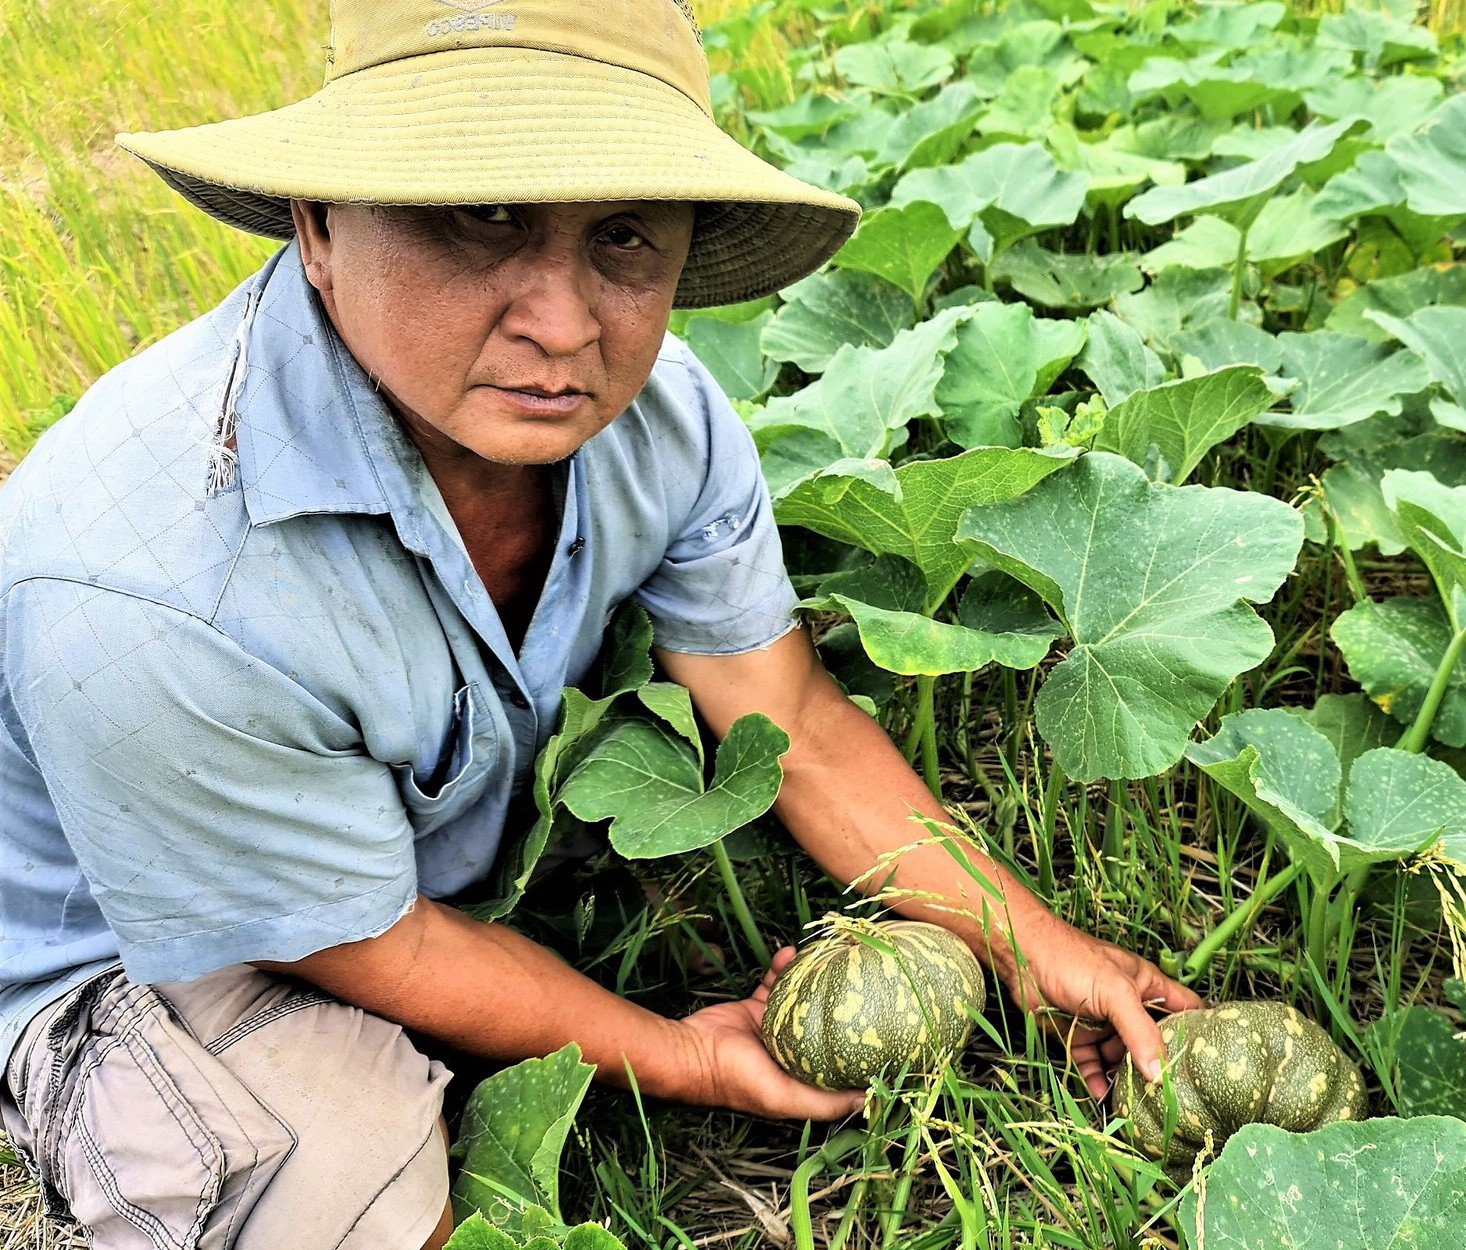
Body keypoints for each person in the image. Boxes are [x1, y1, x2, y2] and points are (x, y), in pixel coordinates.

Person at [0, 2, 1200, 1246]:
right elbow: (375, 944)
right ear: (317, 226)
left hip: (411, 866)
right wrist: (683, 1055)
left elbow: (781, 711)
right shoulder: (149, 578)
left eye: (622, 236)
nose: (566, 326)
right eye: (482, 217)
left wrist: (1027, 942)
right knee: (346, 1192)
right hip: (150, 942)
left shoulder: (664, 419)